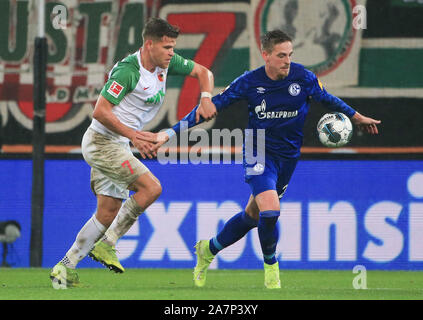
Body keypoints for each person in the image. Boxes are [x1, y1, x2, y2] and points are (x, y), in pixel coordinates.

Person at [149, 30, 381, 289]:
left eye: (290, 55)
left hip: (289, 156)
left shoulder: (303, 78)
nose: (287, 61)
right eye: (281, 55)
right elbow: (208, 109)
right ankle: (271, 268)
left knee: (252, 215)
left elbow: (327, 99)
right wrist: (168, 133)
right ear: (266, 55)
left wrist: (357, 117)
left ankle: (208, 249)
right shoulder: (250, 82)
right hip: (258, 150)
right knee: (270, 211)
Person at [50, 17, 217, 287]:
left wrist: (206, 97)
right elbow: (100, 111)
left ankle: (64, 269)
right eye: (166, 47)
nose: (171, 53)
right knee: (151, 188)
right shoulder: (129, 70)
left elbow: (204, 72)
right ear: (149, 45)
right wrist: (135, 136)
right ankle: (108, 243)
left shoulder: (166, 63)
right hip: (102, 142)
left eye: (173, 47)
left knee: (107, 211)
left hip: (118, 144)